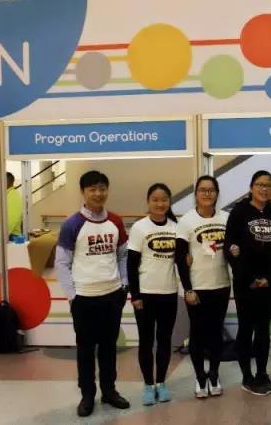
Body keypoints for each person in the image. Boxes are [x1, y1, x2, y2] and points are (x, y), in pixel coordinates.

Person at [55, 171, 130, 417]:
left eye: (102, 188)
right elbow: (61, 263)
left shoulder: (116, 221)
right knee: (85, 349)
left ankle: (109, 391)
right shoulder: (72, 224)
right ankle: (87, 395)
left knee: (109, 347)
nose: (98, 193)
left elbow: (123, 256)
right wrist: (72, 295)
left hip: (112, 296)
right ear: (83, 192)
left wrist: (124, 285)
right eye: (92, 189)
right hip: (84, 299)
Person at [225, 171, 271, 396]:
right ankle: (246, 377)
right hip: (245, 284)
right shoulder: (239, 212)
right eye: (260, 184)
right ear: (251, 187)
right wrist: (249, 278)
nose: (264, 189)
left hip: (268, 284)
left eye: (268, 185)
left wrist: (269, 278)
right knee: (246, 328)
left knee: (263, 329)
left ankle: (262, 373)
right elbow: (230, 248)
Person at [175, 176, 231, 398]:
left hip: (221, 285)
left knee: (216, 333)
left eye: (211, 190)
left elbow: (232, 248)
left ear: (217, 193)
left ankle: (214, 374)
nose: (207, 194)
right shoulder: (186, 221)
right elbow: (180, 258)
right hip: (196, 288)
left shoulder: (226, 218)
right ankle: (200, 377)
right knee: (197, 334)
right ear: (196, 194)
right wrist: (188, 289)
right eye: (202, 190)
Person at [128, 183, 178, 405]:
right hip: (145, 295)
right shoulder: (139, 227)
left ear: (169, 201)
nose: (160, 203)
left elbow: (182, 259)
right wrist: (135, 296)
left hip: (169, 293)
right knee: (146, 341)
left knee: (165, 341)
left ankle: (161, 383)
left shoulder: (176, 227)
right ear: (148, 202)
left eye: (164, 199)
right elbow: (131, 265)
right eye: (155, 199)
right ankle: (148, 385)